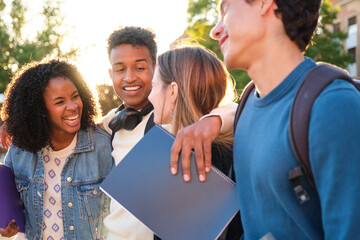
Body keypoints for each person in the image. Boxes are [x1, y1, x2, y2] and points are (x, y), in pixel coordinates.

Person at [172, 0, 360, 239]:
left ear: (264, 3)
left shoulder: (333, 105)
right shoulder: (248, 105)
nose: (215, 29)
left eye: (226, 9)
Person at [100, 26, 237, 240]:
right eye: (120, 69)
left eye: (153, 85)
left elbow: (239, 109)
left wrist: (215, 120)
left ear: (172, 91)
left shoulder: (184, 137)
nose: (129, 77)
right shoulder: (114, 123)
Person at [1, 59, 114, 239]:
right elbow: (8, 204)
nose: (73, 106)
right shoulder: (19, 149)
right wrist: (4, 226)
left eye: (75, 96)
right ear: (40, 109)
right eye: (60, 101)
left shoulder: (103, 146)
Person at [148, 45, 241, 240]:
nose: (149, 96)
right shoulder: (237, 146)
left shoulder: (186, 159)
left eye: (154, 86)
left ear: (173, 91)